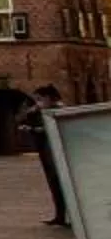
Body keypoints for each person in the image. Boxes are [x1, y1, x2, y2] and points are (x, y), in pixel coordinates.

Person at [22, 85, 70, 226]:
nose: (38, 103)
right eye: (36, 100)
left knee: (63, 186)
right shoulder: (40, 112)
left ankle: (70, 216)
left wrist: (33, 129)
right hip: (47, 154)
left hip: (60, 155)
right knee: (54, 185)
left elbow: (53, 129)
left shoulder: (60, 111)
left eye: (40, 99)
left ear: (49, 98)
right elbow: (24, 119)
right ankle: (59, 215)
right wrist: (33, 112)